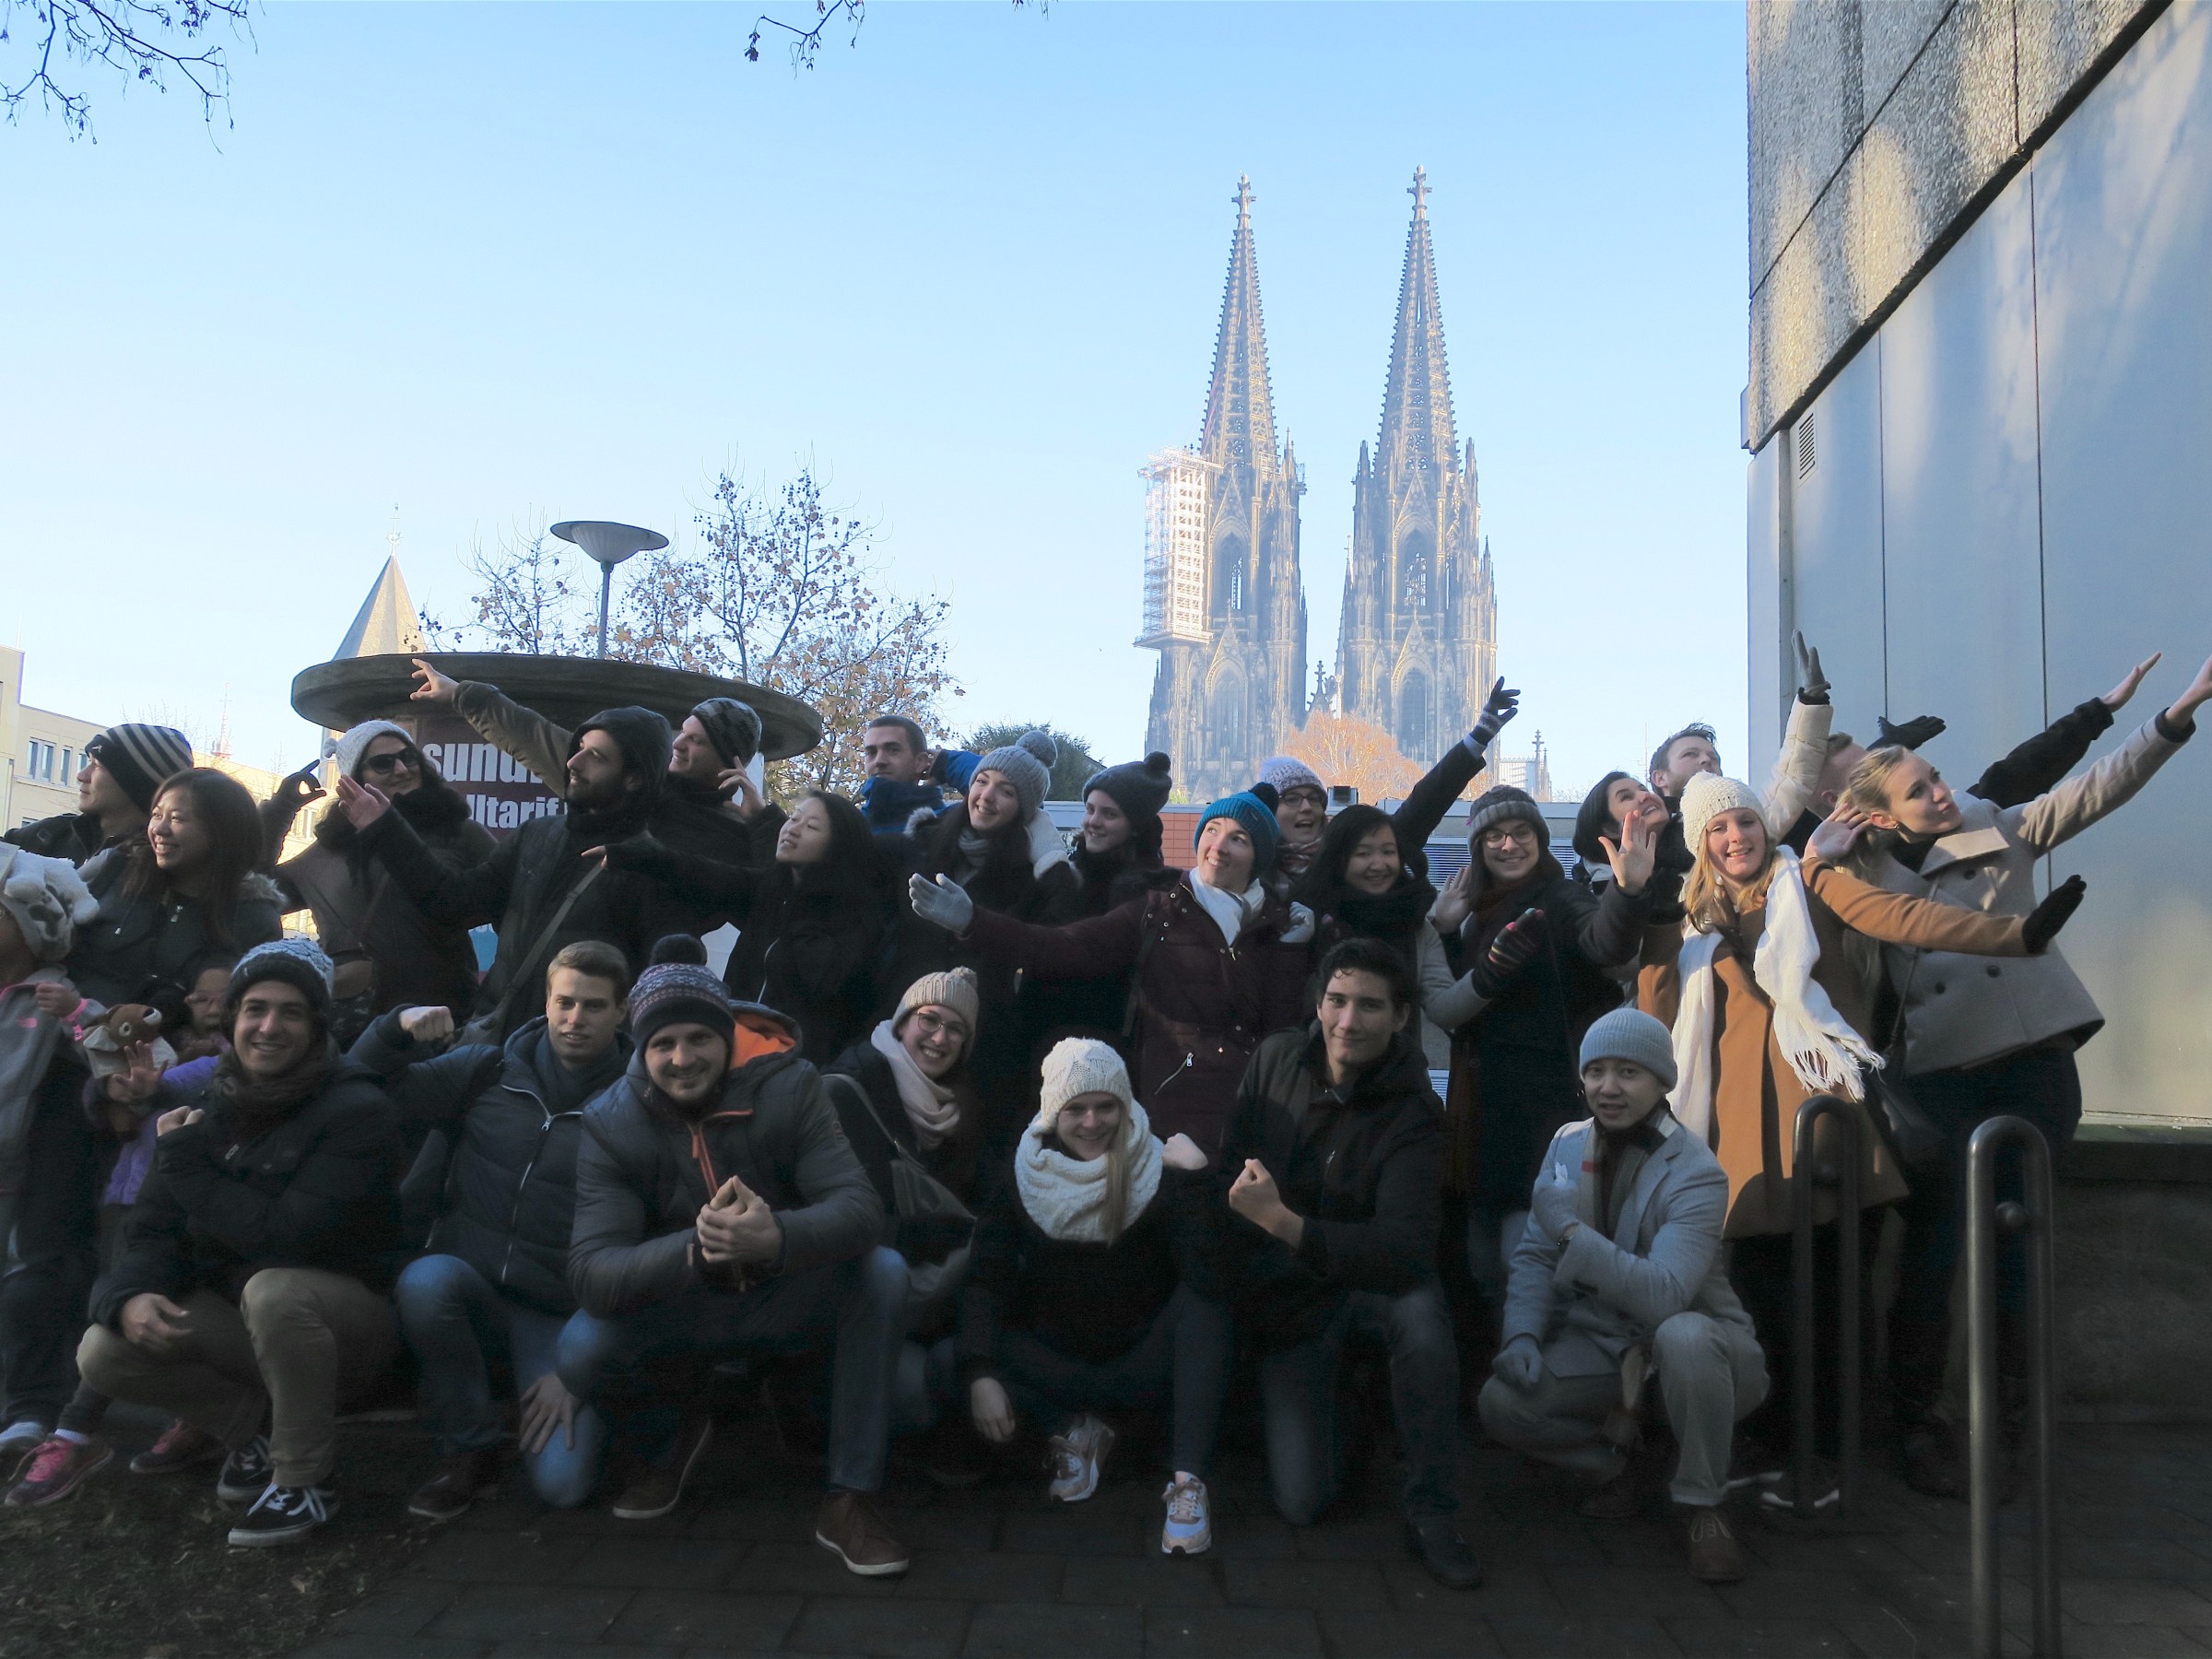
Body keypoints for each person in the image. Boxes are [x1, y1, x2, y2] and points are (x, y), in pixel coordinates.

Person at [1828, 651, 2212, 1497]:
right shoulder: (1852, 879)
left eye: (1936, 777)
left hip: (2032, 1064)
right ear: (1883, 819)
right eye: (1922, 788)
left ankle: (2009, 1429)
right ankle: (1917, 1422)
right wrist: (1821, 842)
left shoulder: (1993, 824)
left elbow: (2096, 786)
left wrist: (2181, 707)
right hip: (1938, 1080)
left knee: (2017, 1250)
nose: (1941, 790)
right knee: (1933, 1254)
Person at [1638, 771, 2076, 1501]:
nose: (1736, 837)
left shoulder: (1806, 882)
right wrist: (1651, 917)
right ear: (1700, 845)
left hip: (1825, 1125)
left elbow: (1902, 916)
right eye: (1718, 829)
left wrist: (2014, 934)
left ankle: (1833, 1454)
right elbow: (1656, 1016)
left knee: (1835, 1297)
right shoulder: (1685, 923)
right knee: (1758, 1300)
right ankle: (1774, 1444)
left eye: (1746, 821)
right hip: (1735, 1140)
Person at [559, 938, 910, 1575]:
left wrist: (775, 1236)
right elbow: (592, 1272)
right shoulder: (611, 1121)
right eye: (663, 1044)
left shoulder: (793, 1086)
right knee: (581, 1346)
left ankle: (850, 1497)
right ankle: (671, 1436)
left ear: (727, 1038)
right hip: (687, 1300)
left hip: (786, 1289)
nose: (682, 1057)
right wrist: (697, 1249)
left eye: (699, 1039)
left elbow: (860, 1210)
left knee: (884, 1273)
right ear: (641, 1050)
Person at [74, 939, 406, 1547]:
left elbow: (288, 1239)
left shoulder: (357, 1110)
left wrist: (189, 1168)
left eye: (290, 1012)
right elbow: (150, 1231)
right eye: (255, 1009)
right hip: (245, 1322)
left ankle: (305, 1478)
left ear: (315, 1027)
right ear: (234, 1020)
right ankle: (251, 1434)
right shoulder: (211, 1105)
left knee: (274, 1290)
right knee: (104, 1349)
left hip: (347, 1334)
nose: (269, 1027)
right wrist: (130, 1298)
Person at [1216, 938, 1481, 1590]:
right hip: (1290, 1304)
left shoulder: (1416, 1114)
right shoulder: (1276, 1057)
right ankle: (1348, 1410)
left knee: (1421, 1315)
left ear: (1400, 1017)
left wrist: (1283, 1223)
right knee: (1305, 1503)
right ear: (1318, 1001)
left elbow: (1404, 1251)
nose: (1346, 1021)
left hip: (1367, 1287)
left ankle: (1432, 1510)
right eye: (1336, 1000)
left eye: (1368, 1006)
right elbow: (1232, 1167)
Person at [1478, 1008, 1769, 1584]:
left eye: (1629, 1072)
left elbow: (1664, 1296)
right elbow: (1536, 1256)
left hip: (1705, 1356)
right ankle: (1627, 1465)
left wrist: (1571, 1233)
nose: (1608, 1088)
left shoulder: (1698, 1171)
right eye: (1596, 1071)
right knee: (1501, 1402)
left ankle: (1703, 1506)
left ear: (1663, 1082)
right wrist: (1523, 1336)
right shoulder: (1567, 1143)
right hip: (1608, 1347)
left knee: (1681, 1333)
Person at [349, 939, 636, 1519]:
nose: (575, 1019)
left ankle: (600, 1412)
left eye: (594, 1006)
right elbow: (358, 1089)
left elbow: (648, 1239)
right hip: (471, 1281)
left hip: (563, 1313)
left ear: (622, 1012)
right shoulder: (487, 1069)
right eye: (565, 1003)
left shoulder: (639, 1102)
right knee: (425, 1284)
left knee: (564, 1488)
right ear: (547, 1002)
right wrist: (393, 1029)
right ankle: (471, 1450)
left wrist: (579, 1366)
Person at [908, 786, 1313, 1156]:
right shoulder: (1159, 911)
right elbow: (1062, 947)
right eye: (1213, 830)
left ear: (1258, 856)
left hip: (1254, 1110)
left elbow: (1282, 1030)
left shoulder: (1279, 926)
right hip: (1173, 1109)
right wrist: (972, 921)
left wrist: (1292, 953)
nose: (1218, 846)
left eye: (1238, 839)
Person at [959, 1039, 1227, 1555]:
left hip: (1141, 1359)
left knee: (1203, 1308)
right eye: (1075, 1108)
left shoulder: (1160, 1165)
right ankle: (1075, 1430)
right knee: (962, 1359)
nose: (1091, 1122)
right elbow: (983, 1280)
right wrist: (979, 1373)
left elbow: (1213, 1279)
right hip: (1056, 1365)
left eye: (1106, 1106)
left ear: (1125, 1109)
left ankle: (1188, 1483)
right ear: (1052, 1112)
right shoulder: (1021, 1174)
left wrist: (1195, 1184)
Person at [6, 953, 238, 1507]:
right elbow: (110, 1083)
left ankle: (78, 1433)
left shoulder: (230, 1064)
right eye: (198, 997)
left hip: (195, 1210)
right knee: (117, 1304)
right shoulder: (161, 1050)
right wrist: (112, 1091)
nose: (202, 1005)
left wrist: (136, 1090)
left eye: (219, 997)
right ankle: (81, 1433)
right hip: (133, 1198)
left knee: (150, 1308)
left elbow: (179, 1087)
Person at [1427, 786, 1662, 1312]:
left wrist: (1626, 893)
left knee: (1524, 1262)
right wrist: (1443, 930)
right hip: (1482, 1109)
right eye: (1494, 836)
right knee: (1482, 1261)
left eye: (1521, 833)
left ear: (1539, 838)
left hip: (1543, 1107)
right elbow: (1456, 994)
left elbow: (1604, 944)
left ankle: (1532, 1370)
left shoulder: (1559, 895)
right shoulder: (1471, 909)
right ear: (1478, 848)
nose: (1509, 845)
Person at [334, 707, 700, 1040]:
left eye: (596, 756)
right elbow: (452, 903)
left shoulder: (655, 870)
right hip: (495, 1036)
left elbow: (656, 995)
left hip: (577, 1060)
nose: (573, 761)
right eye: (580, 747)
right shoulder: (536, 835)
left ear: (634, 778)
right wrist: (387, 830)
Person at [594, 790, 898, 1065]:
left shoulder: (854, 919)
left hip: (798, 1069)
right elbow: (699, 872)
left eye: (812, 827)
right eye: (793, 818)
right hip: (735, 1053)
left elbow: (822, 987)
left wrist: (800, 904)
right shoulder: (769, 890)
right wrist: (633, 854)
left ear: (839, 847)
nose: (792, 829)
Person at [822, 969, 985, 1452]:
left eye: (955, 1029)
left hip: (926, 1291)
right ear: (901, 1023)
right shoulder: (846, 1090)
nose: (939, 1037)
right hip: (856, 1294)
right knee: (916, 1399)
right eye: (928, 1020)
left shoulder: (957, 1104)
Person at [887, 731, 1082, 1129]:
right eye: (981, 780)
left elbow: (1057, 936)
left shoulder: (1030, 878)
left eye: (1007, 791)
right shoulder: (924, 842)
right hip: (903, 1019)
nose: (987, 796)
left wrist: (1050, 857)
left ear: (1025, 810)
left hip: (981, 1038)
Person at [265, 721, 497, 1035]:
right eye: (383, 763)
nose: (402, 769)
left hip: (441, 1020)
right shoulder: (330, 848)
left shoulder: (458, 833)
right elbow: (257, 890)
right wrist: (281, 809)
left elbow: (512, 903)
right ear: (356, 778)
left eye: (409, 757)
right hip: (350, 1023)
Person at [1295, 677, 1523, 989]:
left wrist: (1480, 735)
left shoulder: (1407, 915)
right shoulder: (1272, 893)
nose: (1379, 862)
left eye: (1313, 799)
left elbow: (1424, 805)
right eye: (1291, 800)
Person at [408, 656, 772, 844]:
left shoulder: (739, 834)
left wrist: (764, 825)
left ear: (731, 762)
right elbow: (533, 736)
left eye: (698, 741)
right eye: (684, 732)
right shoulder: (630, 784)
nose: (679, 744)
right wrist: (460, 694)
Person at [0, 848, 103, 1474]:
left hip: (29, 1174)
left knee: (30, 1285)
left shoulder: (54, 998)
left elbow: (109, 1054)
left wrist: (83, 1019)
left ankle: (30, 1409)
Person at [65, 769, 283, 1019]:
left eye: (177, 819)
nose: (160, 829)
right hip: (62, 1035)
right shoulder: (115, 868)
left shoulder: (255, 919)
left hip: (162, 1053)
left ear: (222, 831)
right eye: (157, 815)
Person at [1030, 751, 1182, 1053]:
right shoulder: (1077, 869)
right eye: (1090, 809)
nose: (1092, 822)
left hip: (1101, 1050)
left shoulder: (1144, 890)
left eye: (1109, 814)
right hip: (1042, 1039)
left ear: (1135, 826)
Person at [5, 724, 194, 865]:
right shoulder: (52, 834)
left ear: (133, 783)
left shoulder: (161, 866)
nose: (81, 775)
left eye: (97, 766)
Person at [858, 714, 942, 833]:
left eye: (893, 750)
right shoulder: (847, 829)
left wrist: (949, 762)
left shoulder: (950, 823)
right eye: (871, 752)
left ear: (921, 761)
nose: (879, 761)